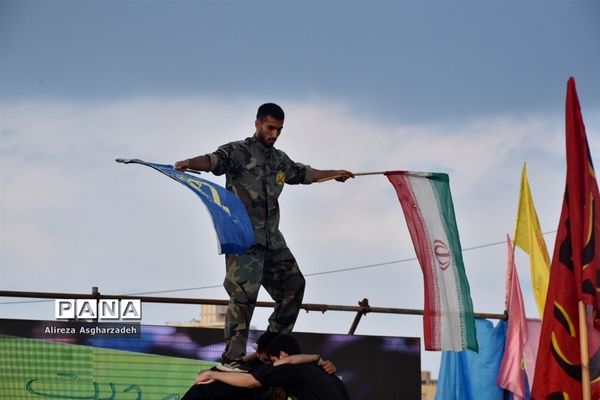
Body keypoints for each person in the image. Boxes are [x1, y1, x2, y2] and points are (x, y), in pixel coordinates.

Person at [175, 103, 353, 368]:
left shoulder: (279, 160)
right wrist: (188, 163)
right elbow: (212, 160)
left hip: (273, 242)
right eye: (270, 128)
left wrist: (333, 174)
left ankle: (272, 347)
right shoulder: (237, 152)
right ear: (257, 123)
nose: (274, 135)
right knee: (244, 296)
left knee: (294, 286)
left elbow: (304, 173)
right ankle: (233, 359)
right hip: (246, 241)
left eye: (279, 130)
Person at [194, 334, 350, 400]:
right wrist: (316, 357)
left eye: (271, 362)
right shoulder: (321, 373)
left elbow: (251, 381)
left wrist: (212, 375)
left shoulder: (289, 368)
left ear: (282, 356)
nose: (270, 368)